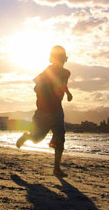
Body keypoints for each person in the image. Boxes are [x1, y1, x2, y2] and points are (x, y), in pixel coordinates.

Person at [16, 45, 73, 177]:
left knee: (60, 138)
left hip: (57, 111)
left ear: (64, 59)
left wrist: (68, 93)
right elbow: (36, 87)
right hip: (44, 111)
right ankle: (27, 136)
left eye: (61, 58)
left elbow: (62, 84)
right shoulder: (48, 71)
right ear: (52, 59)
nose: (59, 61)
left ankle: (57, 169)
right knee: (37, 138)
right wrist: (47, 94)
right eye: (57, 58)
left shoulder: (66, 73)